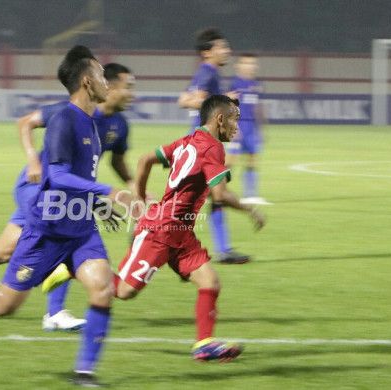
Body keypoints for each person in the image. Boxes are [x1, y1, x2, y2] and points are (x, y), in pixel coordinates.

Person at [0, 45, 131, 387]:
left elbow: (79, 178)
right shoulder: (64, 118)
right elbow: (58, 176)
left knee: (102, 288)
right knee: (3, 305)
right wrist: (107, 191)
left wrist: (97, 203)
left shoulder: (92, 124)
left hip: (79, 228)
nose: (107, 80)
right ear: (87, 81)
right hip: (46, 229)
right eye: (102, 75)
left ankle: (84, 373)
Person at [45, 95, 265, 362]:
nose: (237, 127)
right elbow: (219, 195)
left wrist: (138, 196)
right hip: (160, 231)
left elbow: (146, 159)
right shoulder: (213, 149)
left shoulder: (189, 140)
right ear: (220, 119)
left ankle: (204, 343)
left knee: (210, 281)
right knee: (124, 292)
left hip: (181, 232)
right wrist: (248, 208)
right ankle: (70, 266)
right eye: (234, 120)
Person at [177, 27, 249, 264]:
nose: (226, 50)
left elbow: (187, 99)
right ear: (207, 53)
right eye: (221, 47)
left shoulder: (210, 73)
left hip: (204, 147)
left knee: (213, 197)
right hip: (202, 149)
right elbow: (190, 100)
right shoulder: (207, 72)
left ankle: (223, 249)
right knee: (211, 196)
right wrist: (223, 101)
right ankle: (154, 236)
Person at [227, 53, 270, 205]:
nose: (250, 66)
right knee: (230, 161)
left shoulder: (256, 84)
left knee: (252, 159)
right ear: (238, 65)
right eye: (246, 63)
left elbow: (257, 107)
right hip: (238, 125)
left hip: (252, 127)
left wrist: (262, 129)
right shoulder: (235, 84)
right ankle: (213, 190)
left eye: (252, 63)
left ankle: (250, 195)